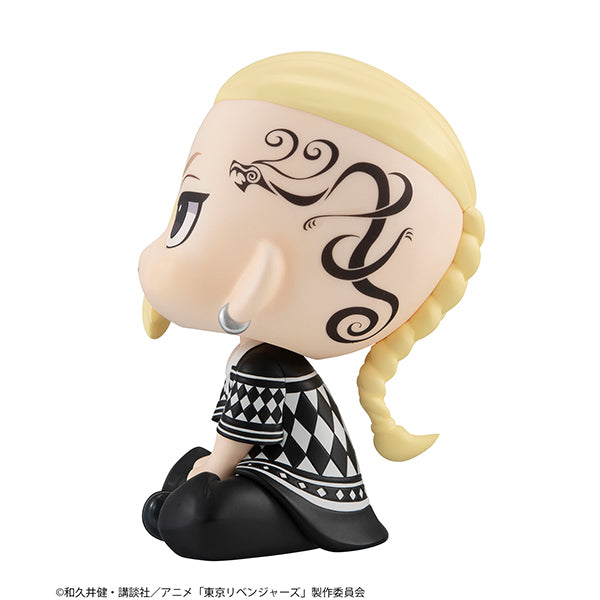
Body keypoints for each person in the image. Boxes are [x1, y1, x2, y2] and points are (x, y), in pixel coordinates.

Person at [138, 51, 484, 560]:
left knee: (193, 515)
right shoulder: (256, 356)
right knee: (185, 489)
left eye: (188, 214)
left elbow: (233, 443)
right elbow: (231, 442)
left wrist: (214, 470)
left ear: (262, 276)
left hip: (306, 497)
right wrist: (212, 468)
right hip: (262, 473)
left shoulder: (265, 365)